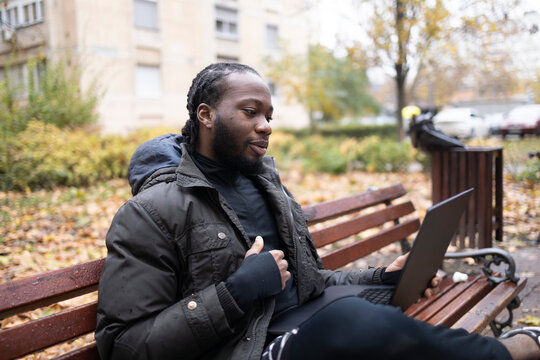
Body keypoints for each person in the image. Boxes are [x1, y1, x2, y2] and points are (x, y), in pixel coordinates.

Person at [95, 63, 540, 360]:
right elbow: (122, 346)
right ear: (206, 115)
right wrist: (233, 293)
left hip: (306, 326)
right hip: (249, 349)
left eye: (269, 114)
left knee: (377, 311)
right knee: (355, 321)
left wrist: (381, 277)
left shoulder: (264, 185)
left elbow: (309, 284)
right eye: (251, 112)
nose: (266, 126)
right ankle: (507, 353)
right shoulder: (151, 212)